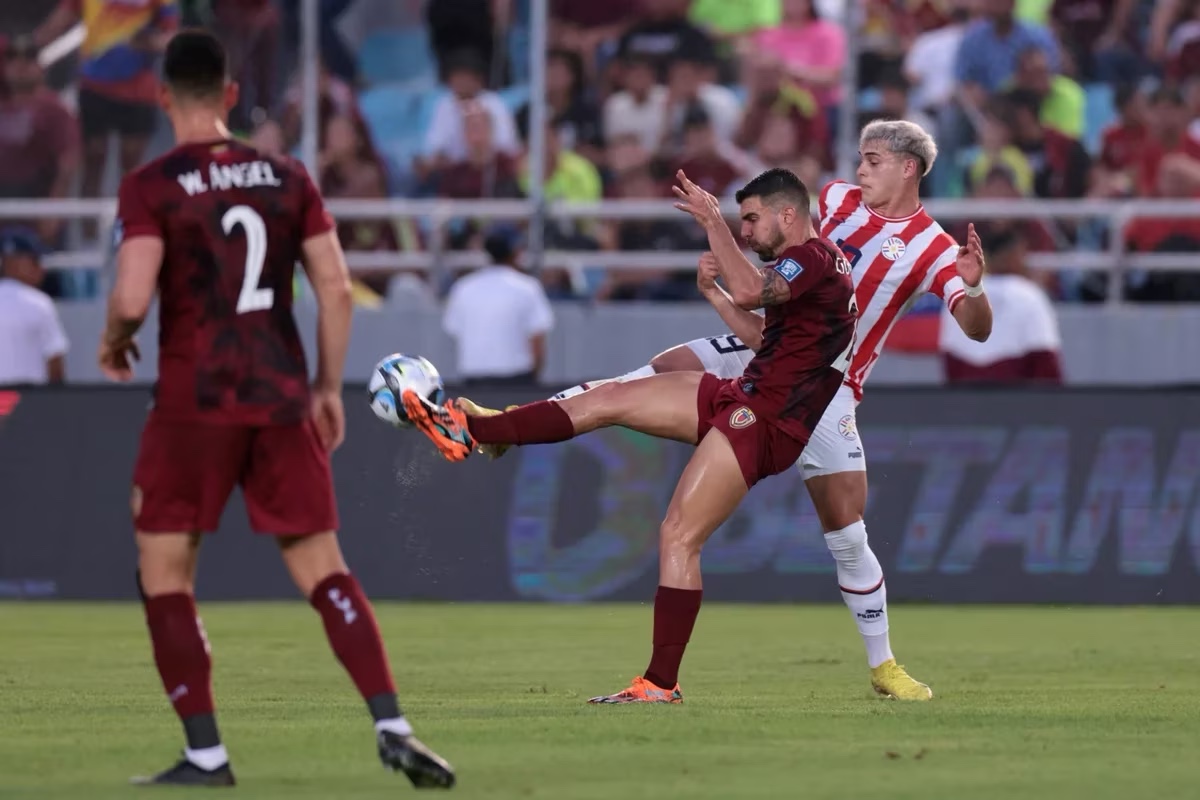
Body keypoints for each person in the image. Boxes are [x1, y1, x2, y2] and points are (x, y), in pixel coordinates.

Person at [498, 120, 993, 701]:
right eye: (860, 158)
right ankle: (507, 424)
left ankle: (883, 665)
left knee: (847, 534)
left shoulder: (934, 246)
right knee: (649, 375)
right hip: (762, 347)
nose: (860, 169)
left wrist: (975, 289)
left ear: (909, 168)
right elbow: (787, 255)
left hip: (827, 389)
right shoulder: (834, 199)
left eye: (874, 160)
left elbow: (976, 331)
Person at [98, 30, 454, 788]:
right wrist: (327, 386)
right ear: (230, 95)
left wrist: (116, 336)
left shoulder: (153, 183)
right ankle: (392, 724)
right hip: (281, 397)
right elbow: (332, 288)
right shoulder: (290, 177)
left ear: (164, 98)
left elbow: (131, 296)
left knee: (165, 570)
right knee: (325, 570)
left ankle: (206, 753)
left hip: (193, 403)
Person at [404, 167, 859, 704]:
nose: (746, 232)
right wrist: (714, 296)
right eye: (740, 221)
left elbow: (750, 288)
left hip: (767, 421)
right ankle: (476, 430)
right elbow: (767, 339)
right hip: (745, 394)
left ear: (789, 214)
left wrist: (712, 222)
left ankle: (660, 683)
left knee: (678, 535)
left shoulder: (814, 258)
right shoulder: (812, 269)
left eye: (752, 220)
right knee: (611, 398)